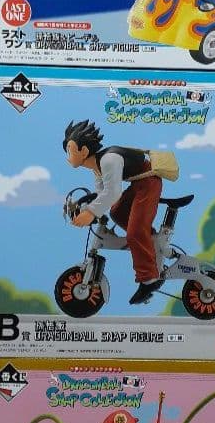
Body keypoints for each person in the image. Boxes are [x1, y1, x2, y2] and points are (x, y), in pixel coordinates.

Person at [63, 120, 163, 305]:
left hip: (148, 182)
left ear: (84, 151)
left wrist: (91, 213)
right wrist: (86, 207)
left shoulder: (108, 160)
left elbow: (113, 192)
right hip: (139, 183)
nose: (68, 156)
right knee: (117, 213)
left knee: (135, 233)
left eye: (70, 150)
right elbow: (102, 192)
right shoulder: (96, 167)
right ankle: (150, 242)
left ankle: (149, 280)